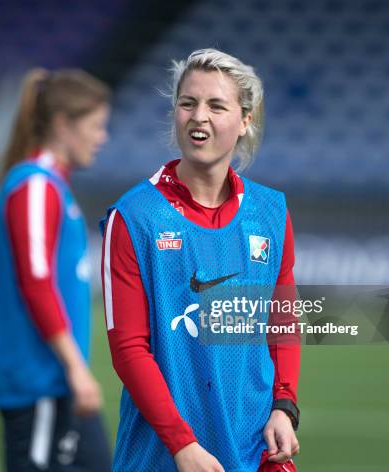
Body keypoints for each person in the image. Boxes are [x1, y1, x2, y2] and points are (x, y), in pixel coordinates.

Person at [100, 49, 301, 471]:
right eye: (187, 103)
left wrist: (284, 405)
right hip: (165, 456)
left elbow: (281, 320)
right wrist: (181, 444)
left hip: (255, 452)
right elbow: (129, 349)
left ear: (246, 120)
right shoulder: (134, 217)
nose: (199, 116)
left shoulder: (271, 212)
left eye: (216, 105)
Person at [0, 68, 112, 472]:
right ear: (62, 124)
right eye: (96, 126)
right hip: (38, 382)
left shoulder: (51, 186)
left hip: (55, 381)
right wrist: (76, 367)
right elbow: (36, 284)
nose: (102, 137)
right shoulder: (35, 186)